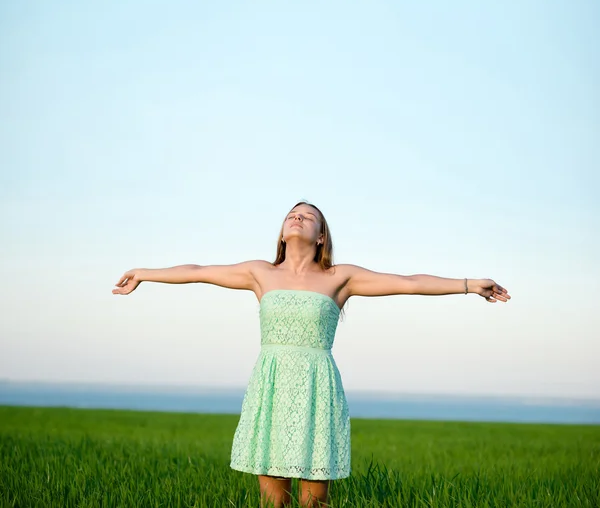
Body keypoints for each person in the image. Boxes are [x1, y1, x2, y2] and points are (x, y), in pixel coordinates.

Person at [112, 200, 511, 508]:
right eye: (292, 214)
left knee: (314, 500)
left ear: (322, 236)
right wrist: (144, 273)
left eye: (307, 215)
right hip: (271, 386)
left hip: (317, 387)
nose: (297, 218)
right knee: (273, 501)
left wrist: (467, 284)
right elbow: (197, 270)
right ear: (282, 233)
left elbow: (408, 282)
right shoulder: (259, 273)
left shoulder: (340, 278)